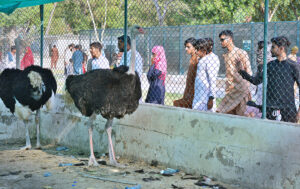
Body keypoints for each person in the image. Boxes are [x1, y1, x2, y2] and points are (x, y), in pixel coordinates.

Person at [239, 36, 300, 123]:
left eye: (273, 47)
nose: (270, 50)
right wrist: (241, 71)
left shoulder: (293, 66)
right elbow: (256, 81)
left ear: (281, 48)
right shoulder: (270, 65)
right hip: (270, 108)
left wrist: (299, 113)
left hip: (288, 109)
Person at [216, 30, 252, 116]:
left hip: (241, 88)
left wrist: (246, 86)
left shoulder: (241, 52)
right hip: (230, 88)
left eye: (222, 39)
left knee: (242, 114)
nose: (221, 42)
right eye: (220, 40)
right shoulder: (226, 55)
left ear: (230, 39)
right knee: (228, 114)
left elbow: (248, 70)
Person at [192, 38, 220, 112]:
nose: (195, 52)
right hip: (199, 95)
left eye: (197, 49)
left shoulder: (210, 60)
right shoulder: (202, 59)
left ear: (204, 51)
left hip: (205, 97)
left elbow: (212, 80)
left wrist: (211, 98)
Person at [173, 37, 198, 109]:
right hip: (189, 88)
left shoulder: (197, 58)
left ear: (194, 47)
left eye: (188, 47)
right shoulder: (192, 57)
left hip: (194, 89)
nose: (186, 49)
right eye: (185, 47)